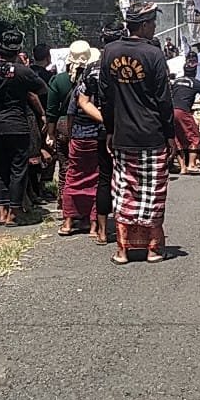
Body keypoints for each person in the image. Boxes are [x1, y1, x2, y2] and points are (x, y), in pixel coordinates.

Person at [100, 1, 174, 264]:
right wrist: (170, 134)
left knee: (124, 191)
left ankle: (123, 250)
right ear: (142, 25)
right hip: (152, 135)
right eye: (152, 23)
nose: (154, 27)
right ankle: (153, 249)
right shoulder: (154, 54)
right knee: (152, 192)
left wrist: (110, 129)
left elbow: (105, 97)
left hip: (122, 135)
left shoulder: (109, 52)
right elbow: (164, 99)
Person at [0, 28, 47, 226]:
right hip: (17, 124)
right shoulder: (23, 70)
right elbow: (42, 88)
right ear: (18, 49)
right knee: (18, 169)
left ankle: (1, 213)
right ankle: (14, 212)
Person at [82, 23, 125, 243]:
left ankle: (101, 231)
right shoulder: (127, 65)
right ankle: (126, 229)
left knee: (105, 178)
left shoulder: (92, 68)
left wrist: (104, 120)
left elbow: (83, 102)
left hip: (101, 130)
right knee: (128, 179)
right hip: (130, 130)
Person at [58, 46, 101, 236]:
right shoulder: (105, 88)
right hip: (97, 137)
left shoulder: (79, 88)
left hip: (78, 137)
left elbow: (70, 114)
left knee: (73, 176)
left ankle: (68, 222)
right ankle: (92, 224)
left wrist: (70, 136)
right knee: (96, 179)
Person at [46, 41, 88, 204]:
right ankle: (83, 200)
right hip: (87, 125)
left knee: (65, 165)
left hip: (63, 125)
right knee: (86, 167)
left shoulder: (58, 80)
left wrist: (50, 133)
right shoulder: (91, 78)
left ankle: (64, 199)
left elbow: (51, 111)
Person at [169, 52, 200, 174]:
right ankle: (191, 164)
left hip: (171, 111)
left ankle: (182, 167)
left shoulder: (177, 81)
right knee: (195, 137)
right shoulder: (195, 83)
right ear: (195, 72)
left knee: (177, 139)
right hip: (183, 111)